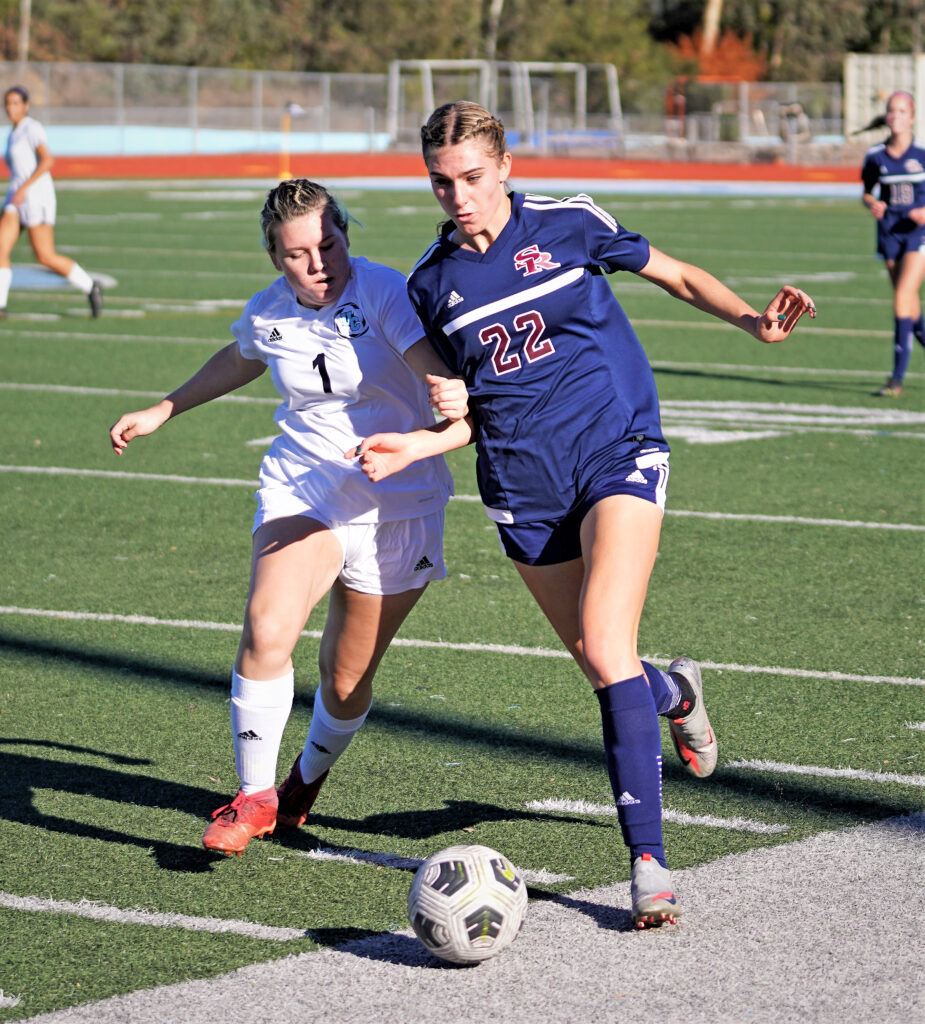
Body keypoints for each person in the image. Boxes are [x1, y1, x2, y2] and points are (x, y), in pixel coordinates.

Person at [351, 101, 816, 929]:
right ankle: (674, 693)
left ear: (503, 167)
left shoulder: (569, 224)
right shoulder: (432, 283)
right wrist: (415, 446)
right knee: (609, 667)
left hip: (615, 450)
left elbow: (670, 272)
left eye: (471, 177)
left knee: (606, 645)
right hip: (522, 493)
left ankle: (648, 865)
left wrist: (754, 323)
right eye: (440, 182)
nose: (457, 196)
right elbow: (462, 413)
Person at [109, 178, 468, 856]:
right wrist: (164, 407)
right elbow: (245, 353)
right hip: (307, 484)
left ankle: (305, 778)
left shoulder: (384, 291)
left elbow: (428, 365)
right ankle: (253, 795)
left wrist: (440, 395)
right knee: (268, 625)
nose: (319, 264)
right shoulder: (270, 311)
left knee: (345, 677)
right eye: (298, 253)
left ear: (345, 237)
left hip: (401, 498)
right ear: (275, 256)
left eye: (328, 245)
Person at [0, 85, 102, 318]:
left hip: (35, 197)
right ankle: (1, 305)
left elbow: (47, 160)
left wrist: (25, 188)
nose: (10, 108)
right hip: (15, 199)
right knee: (0, 249)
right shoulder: (12, 133)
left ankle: (90, 286)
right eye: (7, 103)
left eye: (16, 103)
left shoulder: (32, 128)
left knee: (45, 255)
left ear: (25, 106)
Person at [860, 90, 925, 397]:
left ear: (912, 117)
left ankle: (896, 380)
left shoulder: (922, 154)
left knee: (902, 297)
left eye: (902, 111)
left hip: (918, 234)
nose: (896, 116)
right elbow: (866, 192)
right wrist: (871, 204)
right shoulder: (875, 155)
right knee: (910, 308)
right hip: (888, 233)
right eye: (891, 111)